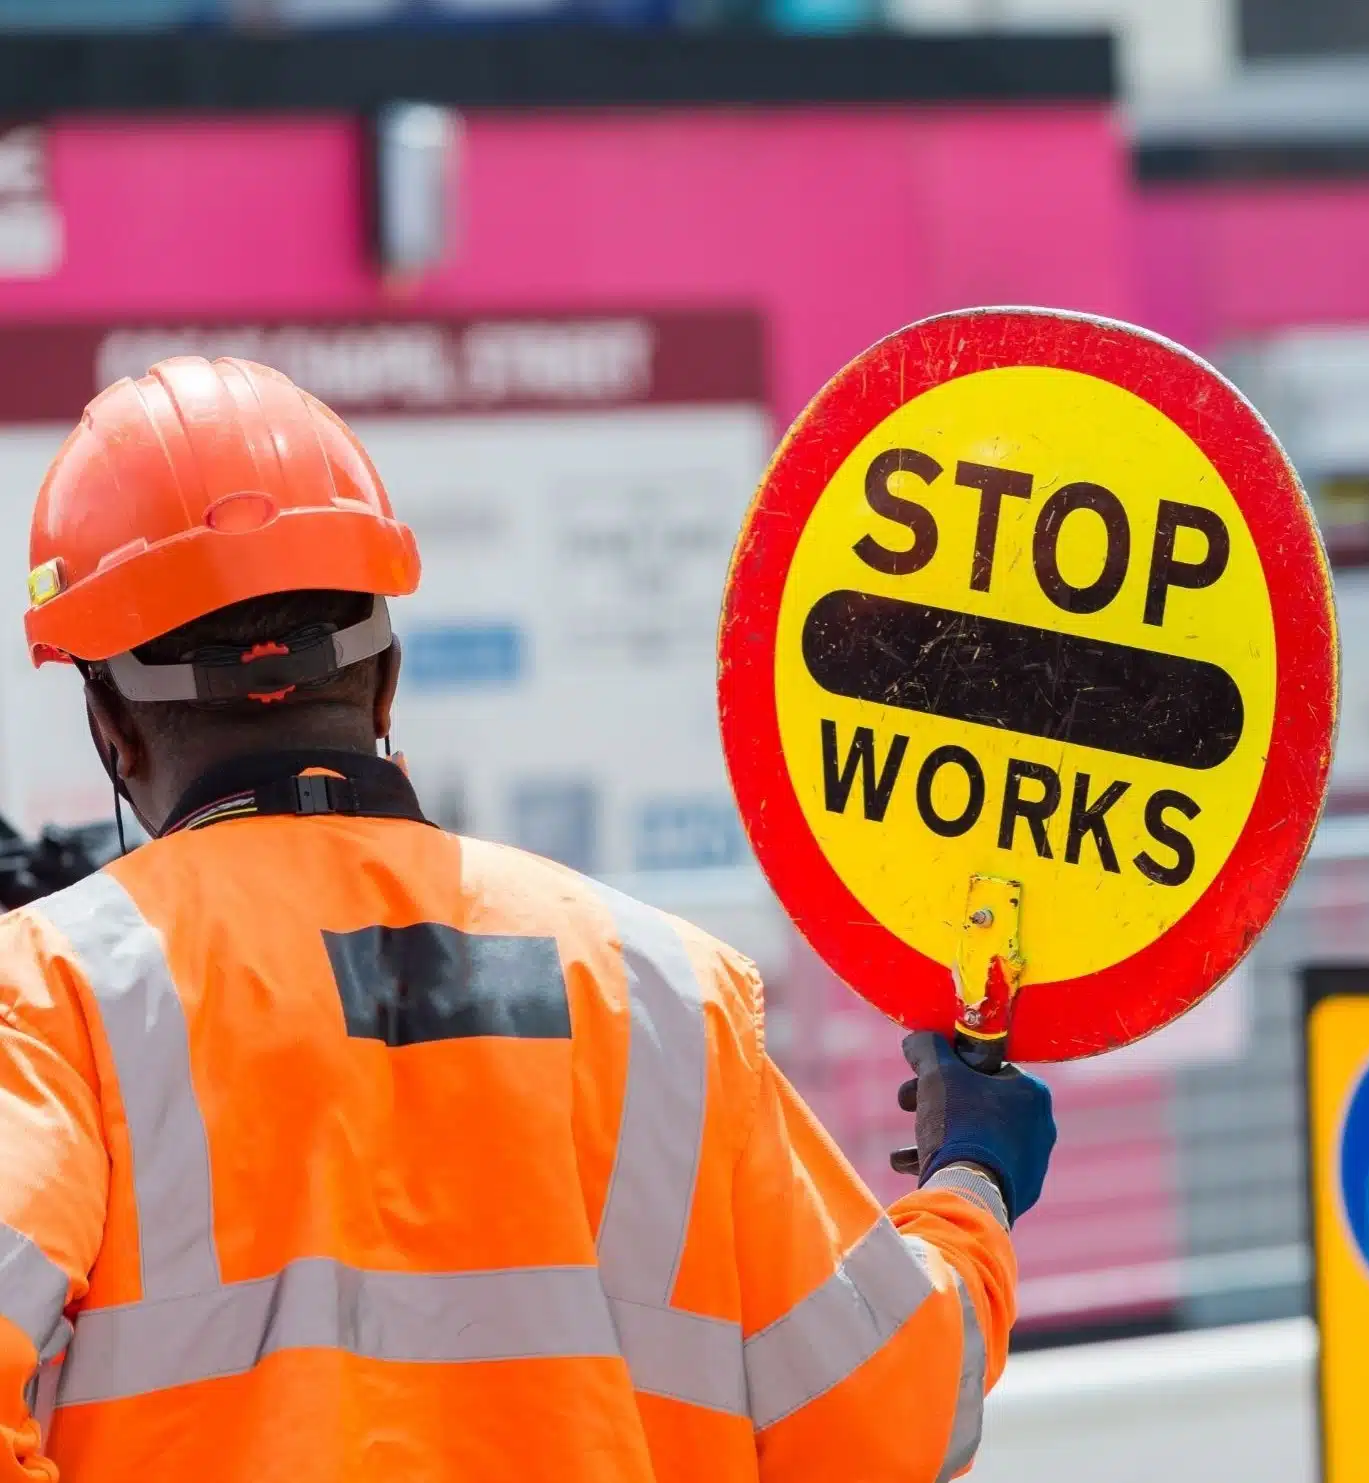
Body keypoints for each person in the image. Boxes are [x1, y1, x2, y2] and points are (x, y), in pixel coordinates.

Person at [0, 356, 1055, 1482]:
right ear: (387, 679)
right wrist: (968, 1182)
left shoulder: (55, 998)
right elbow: (888, 1419)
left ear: (111, 726)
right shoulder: (666, 993)